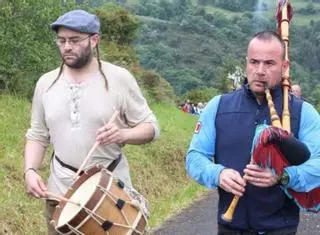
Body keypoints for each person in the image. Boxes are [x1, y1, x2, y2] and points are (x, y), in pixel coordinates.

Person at [23, 9, 159, 234]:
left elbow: (151, 128)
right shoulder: (45, 83)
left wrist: (123, 134)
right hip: (60, 195)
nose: (67, 47)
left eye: (75, 40)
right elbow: (37, 135)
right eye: (62, 40)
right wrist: (30, 170)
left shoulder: (119, 78)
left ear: (94, 40)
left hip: (111, 194)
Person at [186, 30, 320, 234]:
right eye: (254, 62)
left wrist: (283, 177)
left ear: (284, 67)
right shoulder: (218, 106)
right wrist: (218, 173)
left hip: (280, 229)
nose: (259, 70)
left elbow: (318, 164)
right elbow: (195, 156)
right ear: (246, 62)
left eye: (269, 63)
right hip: (229, 227)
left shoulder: (304, 112)